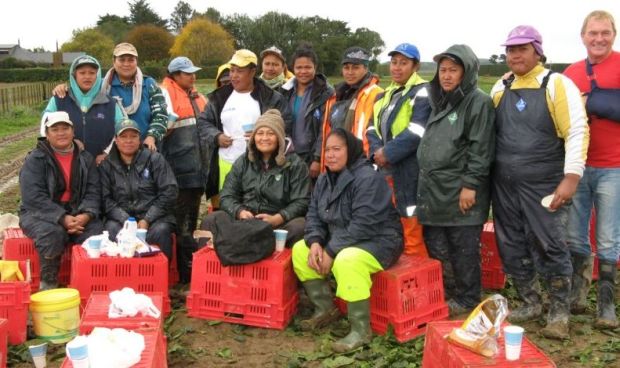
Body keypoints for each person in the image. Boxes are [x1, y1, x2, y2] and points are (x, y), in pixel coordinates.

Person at [490, 25, 589, 339]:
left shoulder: (556, 84)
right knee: (511, 244)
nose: (515, 55)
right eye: (510, 50)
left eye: (522, 49)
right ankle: (530, 301)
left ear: (537, 51)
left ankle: (559, 311)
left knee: (549, 244)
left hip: (544, 183)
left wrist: (571, 177)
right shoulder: (500, 87)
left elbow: (576, 130)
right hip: (504, 184)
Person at [292, 129, 403, 352]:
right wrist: (315, 241)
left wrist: (331, 251)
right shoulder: (324, 179)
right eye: (327, 150)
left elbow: (363, 224)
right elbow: (313, 214)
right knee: (299, 250)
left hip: (380, 240)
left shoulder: (368, 179)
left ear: (350, 151)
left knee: (347, 260)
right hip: (342, 237)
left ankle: (361, 329)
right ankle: (325, 308)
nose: (331, 155)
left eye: (337, 149)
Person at [416, 44, 496, 316]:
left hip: (459, 191)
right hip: (436, 192)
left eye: (453, 70)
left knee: (463, 248)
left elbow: (480, 148)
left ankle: (469, 296)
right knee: (439, 246)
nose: (446, 76)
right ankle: (449, 293)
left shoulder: (478, 102)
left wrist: (470, 186)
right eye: (443, 70)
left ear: (468, 72)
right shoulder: (441, 99)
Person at [564, 10, 619, 329]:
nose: (599, 38)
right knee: (574, 233)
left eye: (605, 32)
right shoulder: (571, 72)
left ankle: (606, 307)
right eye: (593, 33)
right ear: (583, 36)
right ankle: (577, 296)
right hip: (578, 166)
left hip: (615, 166)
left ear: (614, 34)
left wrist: (592, 102)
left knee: (609, 238)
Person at [19, 111, 103, 290]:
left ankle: (87, 286)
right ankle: (48, 285)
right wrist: (62, 218)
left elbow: (94, 191)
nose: (61, 133)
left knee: (96, 233)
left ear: (73, 132)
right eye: (55, 129)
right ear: (47, 134)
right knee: (52, 233)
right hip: (39, 213)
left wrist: (86, 215)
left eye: (65, 128)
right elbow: (33, 198)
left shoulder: (85, 158)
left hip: (76, 211)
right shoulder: (35, 159)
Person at [201, 110, 309, 245]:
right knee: (211, 220)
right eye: (260, 133)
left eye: (271, 133)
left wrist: (279, 217)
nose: (264, 138)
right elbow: (227, 195)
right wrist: (240, 212)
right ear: (253, 137)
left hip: (277, 224)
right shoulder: (243, 161)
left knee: (300, 226)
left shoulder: (295, 164)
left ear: (280, 138)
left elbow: (302, 201)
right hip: (245, 221)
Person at [197, 49, 292, 205]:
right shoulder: (219, 96)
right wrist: (216, 136)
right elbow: (203, 122)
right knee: (226, 208)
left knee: (254, 209)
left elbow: (285, 124)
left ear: (253, 71)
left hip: (259, 165)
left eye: (239, 71)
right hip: (225, 164)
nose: (233, 76)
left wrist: (262, 133)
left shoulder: (271, 97)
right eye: (232, 71)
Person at [367, 43, 431, 257]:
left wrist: (388, 153)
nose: (397, 67)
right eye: (394, 62)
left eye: (404, 63)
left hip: (409, 167)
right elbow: (371, 127)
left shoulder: (423, 91)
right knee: (388, 214)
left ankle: (415, 262)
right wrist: (377, 153)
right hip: (384, 166)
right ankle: (395, 261)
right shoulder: (384, 95)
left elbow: (417, 129)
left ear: (416, 66)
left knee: (409, 211)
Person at [53, 42, 168, 152]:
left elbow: (161, 114)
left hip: (146, 146)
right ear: (114, 61)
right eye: (122, 60)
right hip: (114, 151)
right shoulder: (101, 85)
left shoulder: (149, 84)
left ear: (136, 61)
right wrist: (63, 88)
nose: (126, 64)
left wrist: (152, 136)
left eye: (131, 60)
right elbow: (82, 91)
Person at [99, 119, 178, 260]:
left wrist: (147, 219)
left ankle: (160, 276)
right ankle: (120, 275)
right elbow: (105, 199)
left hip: (154, 219)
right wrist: (126, 220)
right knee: (110, 230)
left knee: (161, 230)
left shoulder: (155, 159)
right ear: (116, 140)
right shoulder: (107, 166)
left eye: (133, 136)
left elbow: (169, 191)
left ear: (139, 139)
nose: (128, 141)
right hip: (121, 219)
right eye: (123, 137)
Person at [160, 55, 208, 283]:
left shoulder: (197, 95)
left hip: (197, 172)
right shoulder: (164, 94)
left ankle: (188, 271)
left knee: (190, 221)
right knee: (181, 226)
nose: (192, 76)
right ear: (175, 75)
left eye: (192, 72)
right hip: (178, 173)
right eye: (187, 73)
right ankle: (183, 276)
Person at [42, 55, 124, 163]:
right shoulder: (59, 99)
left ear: (98, 75)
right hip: (67, 165)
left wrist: (107, 153)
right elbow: (44, 128)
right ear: (74, 75)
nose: (87, 77)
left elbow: (122, 131)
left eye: (92, 73)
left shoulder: (110, 103)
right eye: (82, 73)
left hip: (101, 165)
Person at [280, 45, 334, 179]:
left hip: (310, 158)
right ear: (293, 68)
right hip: (288, 155)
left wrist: (317, 159)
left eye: (308, 67)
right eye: (299, 67)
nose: (303, 71)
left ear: (315, 68)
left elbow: (324, 129)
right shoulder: (284, 91)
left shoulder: (325, 93)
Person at [320, 47, 382, 164]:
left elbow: (373, 134)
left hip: (359, 162)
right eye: (346, 68)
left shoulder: (375, 93)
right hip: (335, 160)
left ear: (366, 68)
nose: (350, 72)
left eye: (355, 68)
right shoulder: (336, 95)